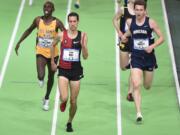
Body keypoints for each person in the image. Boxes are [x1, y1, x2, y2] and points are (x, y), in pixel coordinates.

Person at [15, 1, 65, 111]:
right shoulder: (38, 20)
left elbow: (65, 35)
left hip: (53, 54)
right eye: (45, 7)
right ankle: (40, 78)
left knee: (51, 77)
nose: (46, 8)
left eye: (49, 7)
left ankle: (46, 98)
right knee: (41, 76)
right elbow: (28, 30)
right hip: (41, 52)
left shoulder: (57, 22)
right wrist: (19, 42)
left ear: (53, 9)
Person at [121, 0, 164, 122]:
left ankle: (145, 85)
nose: (139, 12)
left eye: (141, 10)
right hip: (136, 58)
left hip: (149, 59)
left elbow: (162, 38)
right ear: (134, 10)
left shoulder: (151, 22)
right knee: (136, 84)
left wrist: (152, 46)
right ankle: (138, 113)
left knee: (147, 86)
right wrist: (125, 36)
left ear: (145, 11)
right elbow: (131, 31)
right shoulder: (130, 21)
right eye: (137, 10)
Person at [51, 12, 88, 132]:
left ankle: (69, 122)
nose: (72, 24)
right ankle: (63, 101)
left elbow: (86, 56)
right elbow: (52, 45)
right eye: (70, 21)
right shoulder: (61, 35)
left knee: (73, 101)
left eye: (74, 21)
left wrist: (84, 47)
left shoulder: (83, 36)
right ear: (68, 22)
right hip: (63, 70)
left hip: (76, 71)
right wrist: (52, 61)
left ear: (78, 22)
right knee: (65, 97)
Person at [113, 0, 135, 102]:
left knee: (134, 66)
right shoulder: (123, 9)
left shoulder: (141, 10)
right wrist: (120, 33)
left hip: (136, 40)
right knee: (123, 67)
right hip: (124, 40)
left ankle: (130, 92)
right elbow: (114, 20)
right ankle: (132, 65)